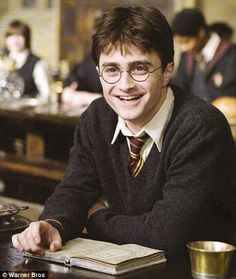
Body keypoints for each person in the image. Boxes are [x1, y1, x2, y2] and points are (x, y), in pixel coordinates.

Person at [12, 7, 236, 257]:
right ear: (99, 73)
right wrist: (53, 224)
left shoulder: (200, 127)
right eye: (111, 70)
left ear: (167, 72)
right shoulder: (97, 117)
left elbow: (168, 235)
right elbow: (75, 189)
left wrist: (96, 218)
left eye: (139, 68)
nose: (124, 85)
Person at [171, 9, 236, 102]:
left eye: (186, 41)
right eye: (179, 43)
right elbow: (180, 89)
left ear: (201, 33)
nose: (183, 48)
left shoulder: (231, 55)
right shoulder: (187, 55)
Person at [2, 19, 52, 103]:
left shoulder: (38, 64)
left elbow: (47, 96)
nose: (15, 41)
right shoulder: (2, 61)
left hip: (26, 113)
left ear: (27, 39)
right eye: (11, 36)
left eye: (19, 36)